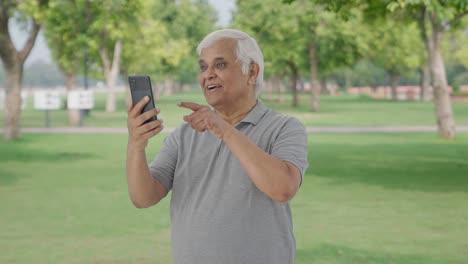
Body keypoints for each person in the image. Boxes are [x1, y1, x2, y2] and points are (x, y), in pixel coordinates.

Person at [126, 29, 308, 264]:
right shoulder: (184, 135)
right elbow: (143, 197)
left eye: (219, 65)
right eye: (203, 67)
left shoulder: (284, 128)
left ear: (252, 72)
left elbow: (283, 188)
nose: (208, 75)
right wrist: (136, 144)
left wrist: (224, 130)